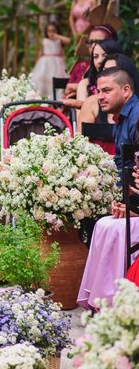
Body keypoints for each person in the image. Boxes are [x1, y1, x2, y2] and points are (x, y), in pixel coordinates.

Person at [77, 67, 139, 309]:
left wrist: (132, 207)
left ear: (126, 90)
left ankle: (113, 300)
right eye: (97, 91)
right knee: (103, 224)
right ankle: (101, 300)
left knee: (109, 227)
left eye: (106, 90)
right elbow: (123, 169)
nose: (100, 96)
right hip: (132, 199)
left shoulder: (136, 119)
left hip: (136, 204)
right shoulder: (121, 117)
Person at [64, 38, 122, 110]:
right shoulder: (85, 85)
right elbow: (82, 118)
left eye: (105, 56)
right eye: (95, 57)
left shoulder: (125, 81)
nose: (99, 61)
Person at [66, 25, 117, 99]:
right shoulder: (81, 66)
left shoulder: (116, 66)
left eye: (99, 42)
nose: (93, 46)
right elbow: (67, 91)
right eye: (90, 42)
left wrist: (80, 88)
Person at [31, 22, 70, 98]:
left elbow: (68, 41)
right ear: (46, 32)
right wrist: (36, 65)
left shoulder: (59, 40)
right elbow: (41, 53)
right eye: (49, 31)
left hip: (57, 64)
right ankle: (43, 98)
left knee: (56, 80)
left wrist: (57, 36)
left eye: (53, 30)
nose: (51, 33)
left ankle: (55, 98)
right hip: (45, 64)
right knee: (43, 82)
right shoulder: (45, 41)